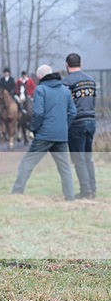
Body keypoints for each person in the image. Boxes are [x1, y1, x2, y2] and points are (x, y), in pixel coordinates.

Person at [11, 64, 76, 201]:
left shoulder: (40, 89)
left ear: (39, 77)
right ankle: (70, 198)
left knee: (27, 163)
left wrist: (34, 129)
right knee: (65, 168)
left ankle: (16, 193)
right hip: (61, 135)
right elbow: (73, 112)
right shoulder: (65, 90)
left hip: (44, 135)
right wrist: (64, 126)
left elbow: (38, 113)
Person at [62, 53, 97, 199]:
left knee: (78, 158)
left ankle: (86, 190)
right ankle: (92, 188)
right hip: (91, 121)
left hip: (76, 123)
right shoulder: (91, 80)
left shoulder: (66, 83)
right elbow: (93, 102)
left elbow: (65, 105)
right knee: (88, 157)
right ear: (80, 64)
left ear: (66, 65)